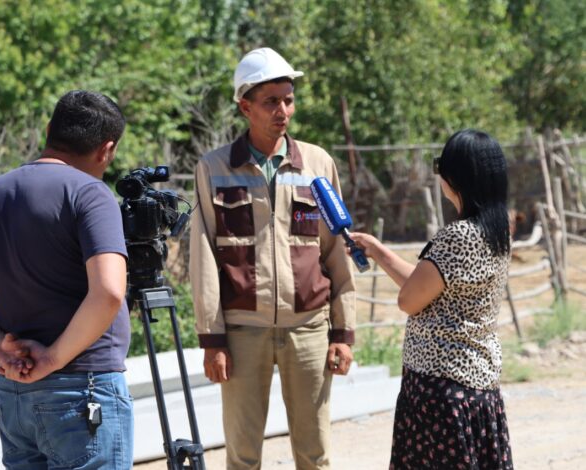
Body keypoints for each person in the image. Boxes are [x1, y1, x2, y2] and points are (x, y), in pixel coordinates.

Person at [0, 90, 134, 469]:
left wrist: (2, 350)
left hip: (15, 393)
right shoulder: (92, 195)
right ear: (107, 150)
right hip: (84, 389)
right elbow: (110, 291)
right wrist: (52, 358)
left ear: (49, 130)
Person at [189, 47, 356, 470]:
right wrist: (212, 339)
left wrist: (343, 331)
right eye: (270, 102)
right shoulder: (213, 168)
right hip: (243, 333)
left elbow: (336, 250)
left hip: (309, 331)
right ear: (245, 107)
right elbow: (204, 257)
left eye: (288, 99)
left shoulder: (317, 164)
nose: (283, 110)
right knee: (243, 457)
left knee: (315, 455)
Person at [350, 129, 514, 469]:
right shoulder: (497, 233)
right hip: (478, 386)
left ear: (455, 177)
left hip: (440, 390)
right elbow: (428, 286)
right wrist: (378, 251)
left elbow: (410, 300)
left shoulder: (457, 237)